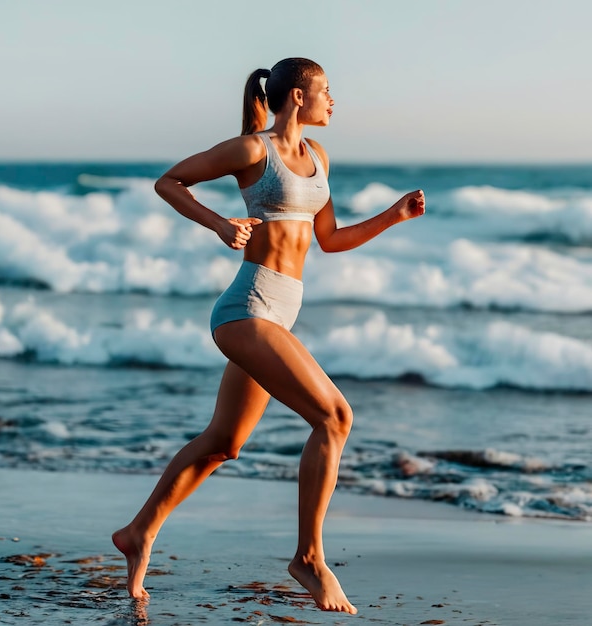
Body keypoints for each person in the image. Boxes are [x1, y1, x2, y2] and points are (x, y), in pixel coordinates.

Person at [112, 57, 425, 615]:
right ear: (298, 97)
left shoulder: (318, 157)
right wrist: (219, 224)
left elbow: (328, 239)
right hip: (246, 309)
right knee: (335, 417)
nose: (335, 100)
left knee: (224, 443)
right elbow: (170, 181)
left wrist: (392, 216)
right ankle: (309, 557)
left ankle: (138, 532)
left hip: (279, 315)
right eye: (327, 90)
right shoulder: (254, 150)